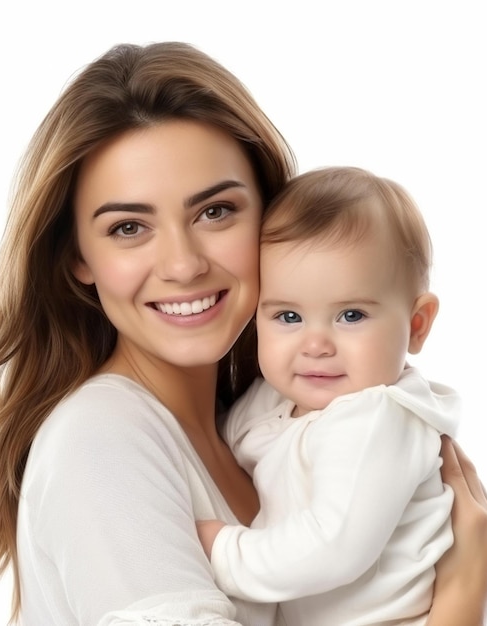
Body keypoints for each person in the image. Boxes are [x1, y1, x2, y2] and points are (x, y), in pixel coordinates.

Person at [0, 42, 487, 625]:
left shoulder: (260, 422)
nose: (184, 264)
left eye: (214, 212)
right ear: (78, 258)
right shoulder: (102, 442)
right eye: (129, 227)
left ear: (270, 217)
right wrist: (464, 598)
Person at [196, 166, 464, 624]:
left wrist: (224, 549)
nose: (316, 344)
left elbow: (333, 545)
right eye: (288, 317)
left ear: (416, 325)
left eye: (351, 315)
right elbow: (222, 444)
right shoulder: (272, 400)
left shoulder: (378, 417)